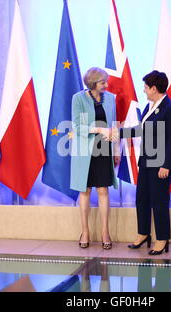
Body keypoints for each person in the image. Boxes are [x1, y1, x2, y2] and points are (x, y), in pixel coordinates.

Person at [122, 70, 171, 255]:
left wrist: (166, 165)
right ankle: (143, 234)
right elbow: (142, 130)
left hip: (161, 164)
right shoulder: (151, 107)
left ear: (154, 88)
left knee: (159, 201)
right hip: (147, 161)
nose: (144, 91)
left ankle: (162, 238)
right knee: (142, 198)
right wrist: (120, 133)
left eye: (146, 88)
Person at [70, 67, 120, 250]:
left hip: (104, 150)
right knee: (85, 192)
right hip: (85, 151)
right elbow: (77, 127)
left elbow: (113, 125)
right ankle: (85, 231)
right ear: (92, 83)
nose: (106, 85)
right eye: (102, 82)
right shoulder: (78, 99)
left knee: (103, 191)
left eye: (106, 82)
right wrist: (98, 129)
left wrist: (116, 150)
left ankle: (105, 232)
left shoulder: (111, 98)